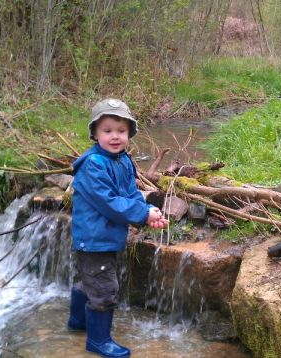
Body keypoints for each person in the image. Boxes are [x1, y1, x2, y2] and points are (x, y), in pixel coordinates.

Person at [67, 98, 168, 358]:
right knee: (104, 289)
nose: (115, 137)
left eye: (121, 131)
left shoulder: (123, 160)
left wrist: (147, 212)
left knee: (90, 280)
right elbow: (109, 202)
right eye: (107, 131)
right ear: (95, 133)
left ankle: (78, 322)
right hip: (93, 238)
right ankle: (98, 341)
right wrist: (141, 214)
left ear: (129, 134)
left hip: (106, 236)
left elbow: (131, 192)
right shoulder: (93, 165)